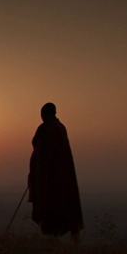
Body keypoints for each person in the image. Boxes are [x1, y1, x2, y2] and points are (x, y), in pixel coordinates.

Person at [28, 102, 83, 243]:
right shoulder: (60, 128)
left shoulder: (46, 128)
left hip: (49, 177)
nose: (41, 117)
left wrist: (37, 174)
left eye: (42, 114)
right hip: (63, 176)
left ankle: (50, 238)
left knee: (48, 205)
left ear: (46, 114)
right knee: (63, 204)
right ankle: (58, 238)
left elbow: (39, 151)